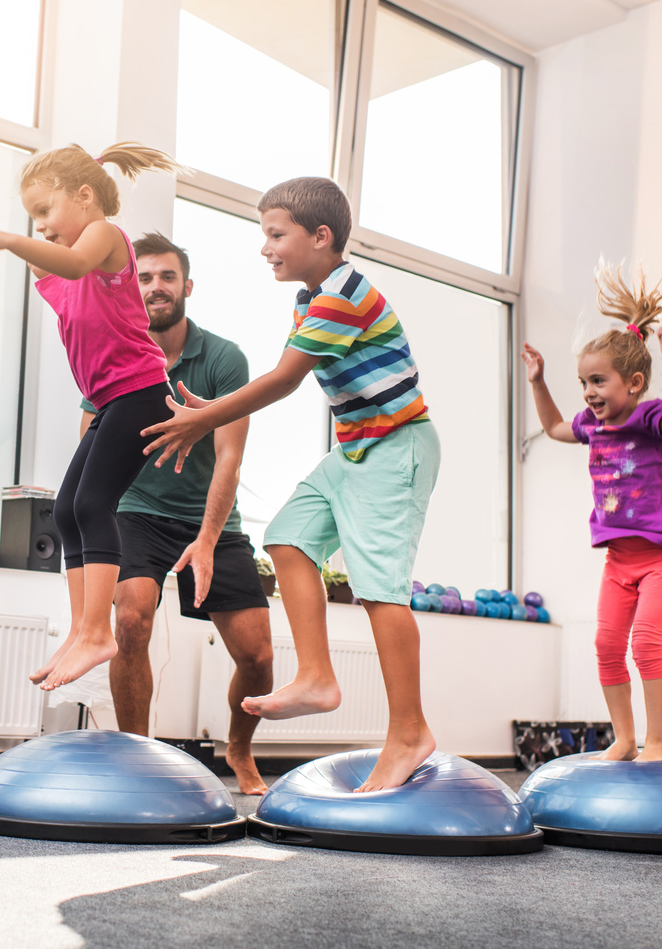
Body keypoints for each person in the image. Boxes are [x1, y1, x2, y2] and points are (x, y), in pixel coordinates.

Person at [142, 177, 441, 792]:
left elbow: (283, 380)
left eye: (276, 235)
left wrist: (206, 416)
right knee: (286, 539)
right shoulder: (310, 298)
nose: (265, 248)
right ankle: (316, 677)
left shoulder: (344, 294)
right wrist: (212, 409)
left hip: (396, 445)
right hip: (358, 445)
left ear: (320, 236)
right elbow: (286, 375)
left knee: (381, 590)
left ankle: (409, 732)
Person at [0, 142, 181, 692]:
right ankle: (84, 630)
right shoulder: (65, 268)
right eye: (34, 218)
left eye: (46, 212)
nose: (42, 228)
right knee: (65, 511)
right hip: (111, 401)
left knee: (93, 503)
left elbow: (72, 257)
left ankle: (96, 631)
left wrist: (3, 236)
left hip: (141, 391)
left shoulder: (104, 236)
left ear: (85, 197)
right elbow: (52, 262)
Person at [77, 232, 273, 795]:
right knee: (132, 617)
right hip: (136, 511)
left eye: (167, 277)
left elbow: (230, 457)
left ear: (187, 287)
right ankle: (137, 755)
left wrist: (209, 539)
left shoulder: (222, 358)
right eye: (144, 277)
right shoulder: (114, 356)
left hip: (209, 519)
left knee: (257, 656)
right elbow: (89, 454)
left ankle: (238, 748)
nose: (156, 287)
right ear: (130, 288)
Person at [520, 262, 662, 763]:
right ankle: (623, 738)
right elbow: (556, 427)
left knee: (645, 644)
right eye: (583, 383)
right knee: (605, 646)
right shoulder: (592, 426)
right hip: (617, 562)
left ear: (636, 382)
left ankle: (657, 740)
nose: (589, 393)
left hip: (661, 557)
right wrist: (539, 381)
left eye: (598, 381)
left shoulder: (650, 418)